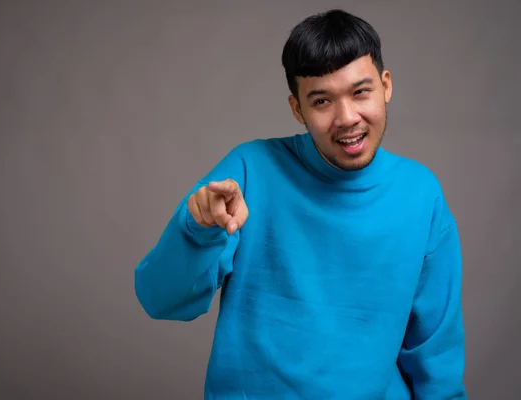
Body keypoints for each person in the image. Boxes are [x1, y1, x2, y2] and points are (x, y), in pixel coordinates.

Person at [134, 9, 467, 399]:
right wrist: (197, 228)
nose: (347, 118)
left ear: (386, 85)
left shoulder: (420, 193)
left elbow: (435, 353)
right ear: (298, 109)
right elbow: (160, 300)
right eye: (322, 100)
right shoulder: (249, 172)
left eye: (361, 92)